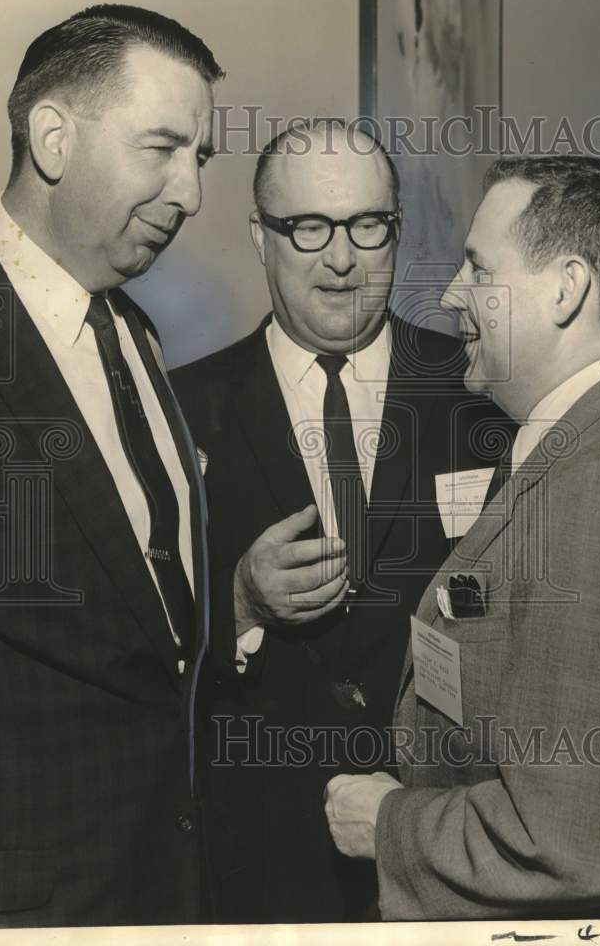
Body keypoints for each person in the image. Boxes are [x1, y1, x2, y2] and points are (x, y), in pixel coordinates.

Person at [324, 155, 600, 919]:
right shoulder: (583, 440)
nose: (447, 295)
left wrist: (389, 824)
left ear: (565, 290)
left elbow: (570, 842)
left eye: (476, 268)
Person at [170, 121, 511, 922]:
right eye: (308, 227)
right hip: (260, 864)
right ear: (261, 237)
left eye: (367, 225)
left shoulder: (483, 396)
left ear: (396, 229)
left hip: (448, 847)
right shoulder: (179, 410)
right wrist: (240, 605)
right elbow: (127, 649)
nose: (341, 257)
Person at [0, 4, 223, 927]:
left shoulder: (133, 329)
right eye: (163, 148)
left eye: (202, 159)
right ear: (53, 138)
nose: (190, 193)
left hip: (162, 884)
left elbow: (128, 620)